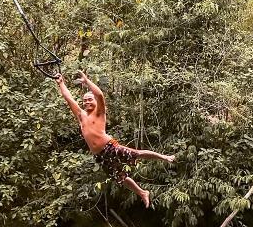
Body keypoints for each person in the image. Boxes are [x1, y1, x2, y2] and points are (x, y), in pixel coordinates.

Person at [55, 71, 174, 208]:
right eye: (85, 100)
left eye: (89, 99)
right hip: (99, 155)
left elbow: (99, 95)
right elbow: (69, 98)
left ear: (94, 102)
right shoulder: (81, 115)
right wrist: (61, 83)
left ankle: (164, 157)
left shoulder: (99, 112)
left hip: (110, 147)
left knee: (137, 153)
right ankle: (142, 193)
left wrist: (87, 81)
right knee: (119, 177)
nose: (87, 102)